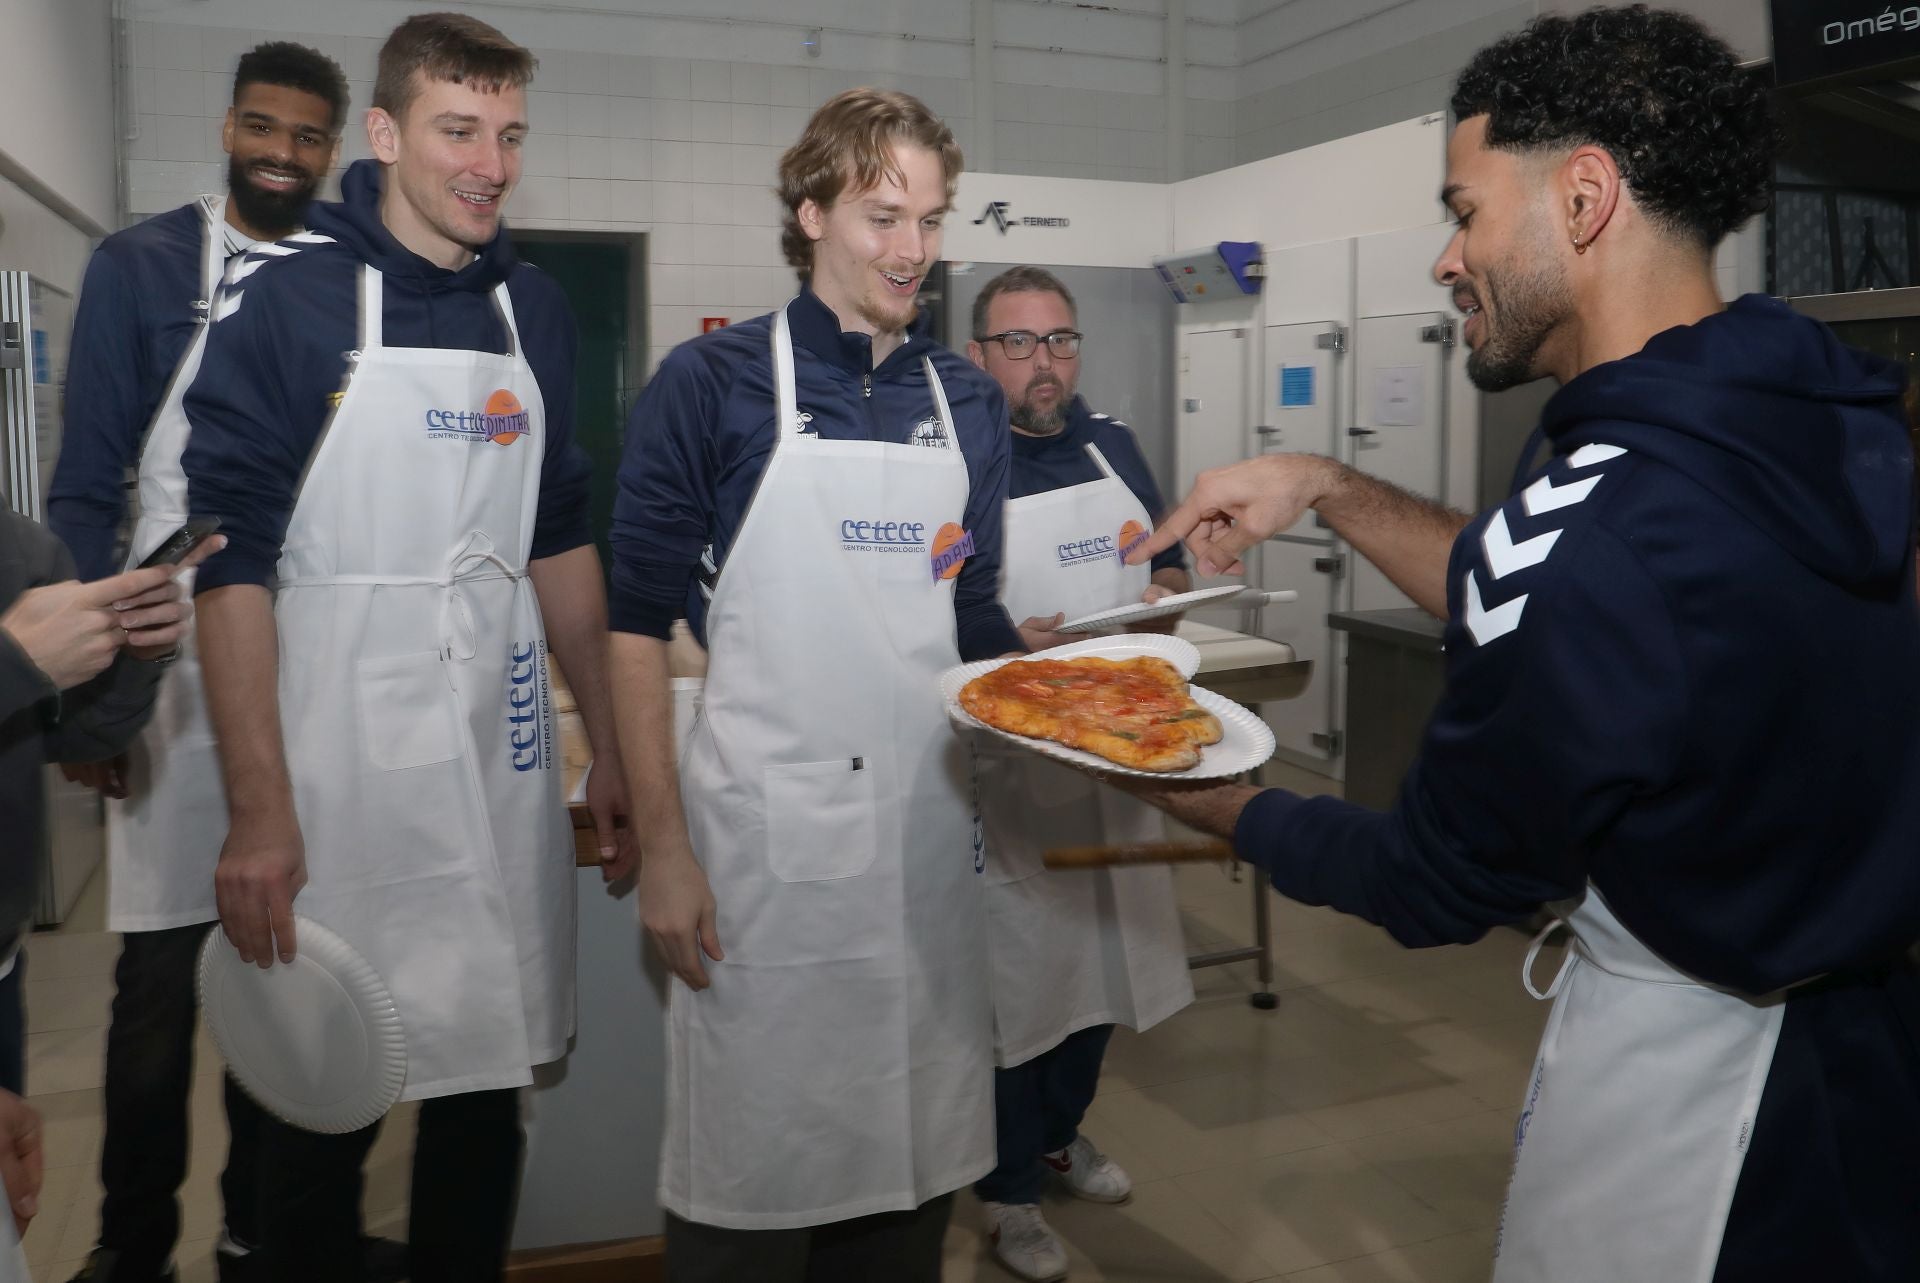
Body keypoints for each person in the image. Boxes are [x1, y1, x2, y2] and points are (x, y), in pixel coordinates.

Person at [1126, 8, 1920, 1280]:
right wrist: (1328, 484)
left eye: (1466, 209)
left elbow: (1435, 881)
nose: (1449, 259)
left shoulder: (1605, 520)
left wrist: (1208, 797)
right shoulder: (1809, 415)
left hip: (1703, 1117)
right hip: (1868, 1065)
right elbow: (1574, 597)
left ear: (1586, 197)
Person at [179, 13, 633, 1281]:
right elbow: (231, 569)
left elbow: (558, 538)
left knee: (488, 1085)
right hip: (337, 774)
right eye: (458, 130)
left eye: (509, 135)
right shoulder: (289, 310)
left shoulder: (533, 310)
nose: (490, 162)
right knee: (324, 1093)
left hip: (499, 757)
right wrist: (259, 808)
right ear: (383, 136)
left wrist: (611, 748)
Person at [609, 87, 1021, 1283]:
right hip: (765, 864)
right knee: (753, 1174)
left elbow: (972, 612)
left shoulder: (969, 401)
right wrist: (668, 849)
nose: (913, 251)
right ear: (812, 213)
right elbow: (638, 628)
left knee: (908, 1164)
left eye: (931, 220)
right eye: (884, 216)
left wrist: (1073, 698)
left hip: (931, 848)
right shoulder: (712, 382)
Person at [43, 41, 372, 1283]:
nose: (283, 157)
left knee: (279, 959)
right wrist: (88, 703)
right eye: (264, 129)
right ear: (227, 124)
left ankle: (255, 1229)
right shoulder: (141, 264)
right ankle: (133, 1247)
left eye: (307, 138)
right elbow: (88, 480)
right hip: (168, 653)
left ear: (336, 147)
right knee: (158, 982)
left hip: (313, 647)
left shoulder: (355, 269)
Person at [963, 266, 1193, 1282]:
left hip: (1121, 757)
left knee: (1108, 971)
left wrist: (1176, 582)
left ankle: (1062, 1132)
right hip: (1013, 773)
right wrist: (1001, 639)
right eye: (1020, 343)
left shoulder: (1116, 448)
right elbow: (927, 620)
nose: (1044, 363)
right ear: (980, 357)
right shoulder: (957, 461)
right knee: (1026, 986)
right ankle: (1009, 1189)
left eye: (1060, 340)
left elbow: (1163, 571)